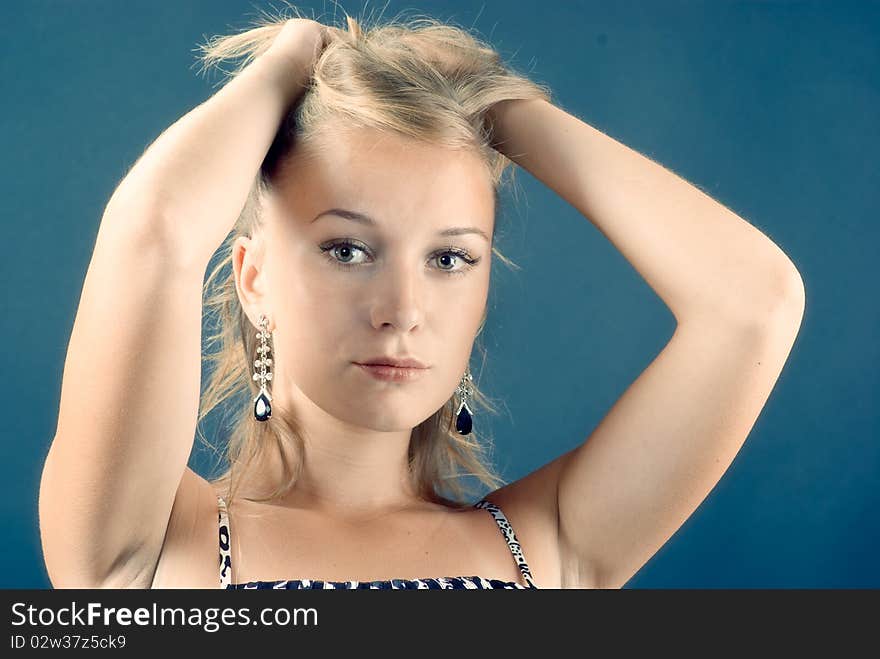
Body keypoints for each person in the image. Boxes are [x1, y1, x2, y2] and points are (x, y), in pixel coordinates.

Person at [38, 9, 805, 590]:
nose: (402, 307)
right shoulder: (148, 543)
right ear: (254, 277)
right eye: (348, 249)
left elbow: (753, 301)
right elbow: (153, 232)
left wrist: (500, 108)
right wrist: (295, 56)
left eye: (449, 256)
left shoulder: (548, 541)